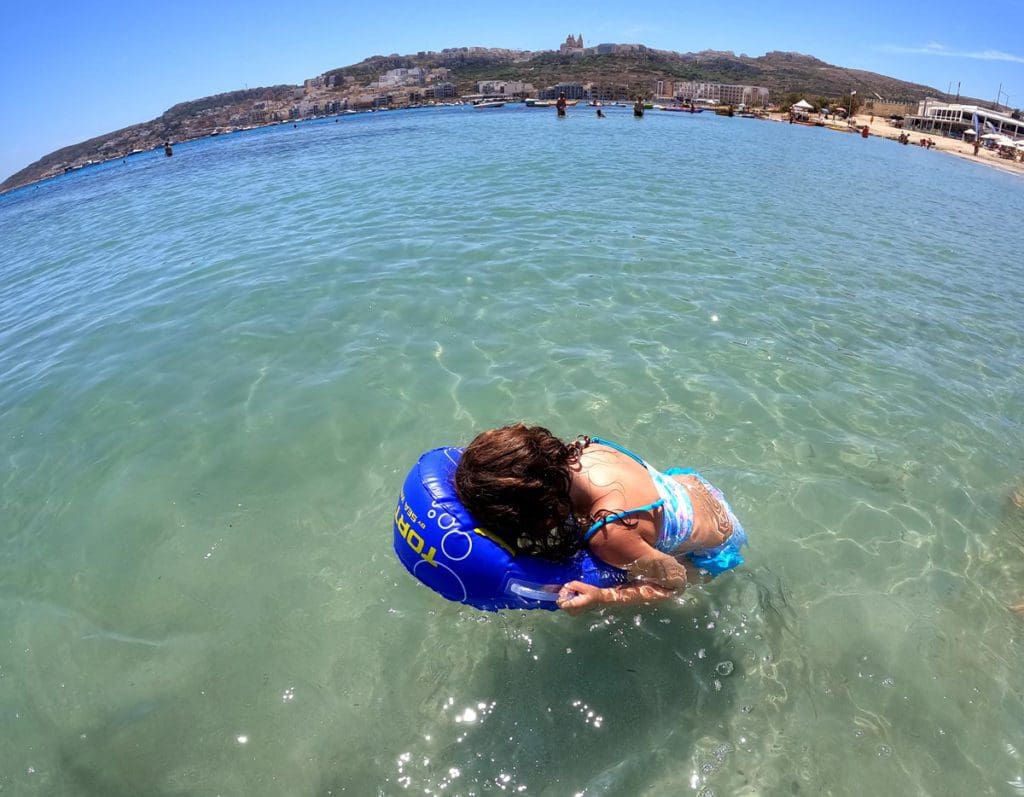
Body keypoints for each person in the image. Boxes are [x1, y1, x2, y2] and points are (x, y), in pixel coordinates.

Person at [454, 423, 747, 614]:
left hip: (717, 547)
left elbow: (674, 582)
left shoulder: (610, 535)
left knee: (650, 570)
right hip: (692, 488)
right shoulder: (585, 451)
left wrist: (603, 597)